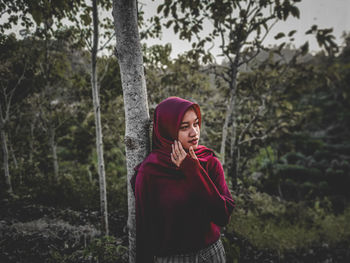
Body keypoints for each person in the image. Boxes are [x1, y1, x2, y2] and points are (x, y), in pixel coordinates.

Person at [131, 97, 235, 263]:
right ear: (168, 130)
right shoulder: (150, 173)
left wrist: (192, 170)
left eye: (196, 123)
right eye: (184, 127)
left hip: (212, 254)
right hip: (173, 259)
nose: (194, 132)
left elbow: (222, 216)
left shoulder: (209, 162)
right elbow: (145, 232)